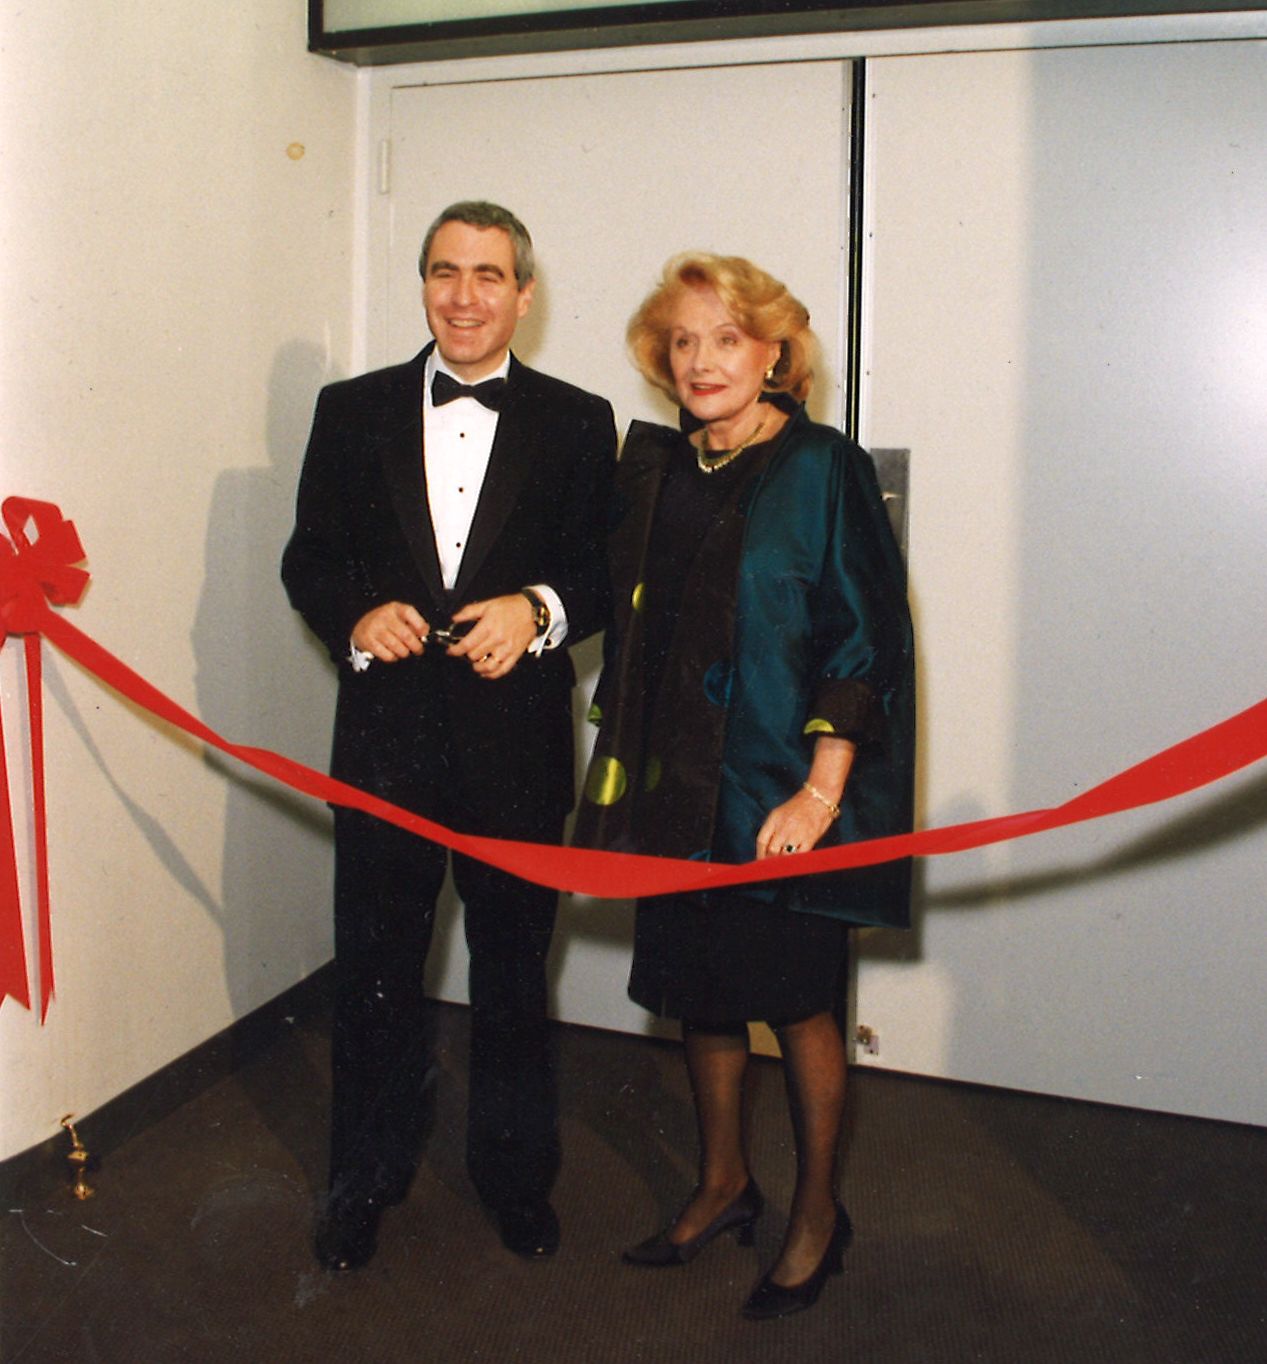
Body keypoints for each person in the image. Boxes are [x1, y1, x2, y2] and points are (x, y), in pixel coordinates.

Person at [574, 253, 914, 1320]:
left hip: (780, 795)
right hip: (680, 794)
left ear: (774, 353)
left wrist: (819, 792)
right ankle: (724, 1181)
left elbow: (864, 636)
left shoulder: (823, 466)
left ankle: (817, 1211)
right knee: (701, 996)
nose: (702, 360)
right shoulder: (662, 468)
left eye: (727, 337)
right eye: (683, 340)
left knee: (799, 1005)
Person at [282, 201, 616, 1271]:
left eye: (487, 274)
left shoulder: (578, 417)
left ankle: (516, 1182)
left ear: (525, 293)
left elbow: (604, 573)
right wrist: (352, 613)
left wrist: (542, 608)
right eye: (443, 271)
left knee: (515, 977)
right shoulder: (349, 409)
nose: (463, 296)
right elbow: (309, 557)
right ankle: (361, 1182)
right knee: (375, 974)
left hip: (516, 753)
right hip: (385, 748)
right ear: (422, 283)